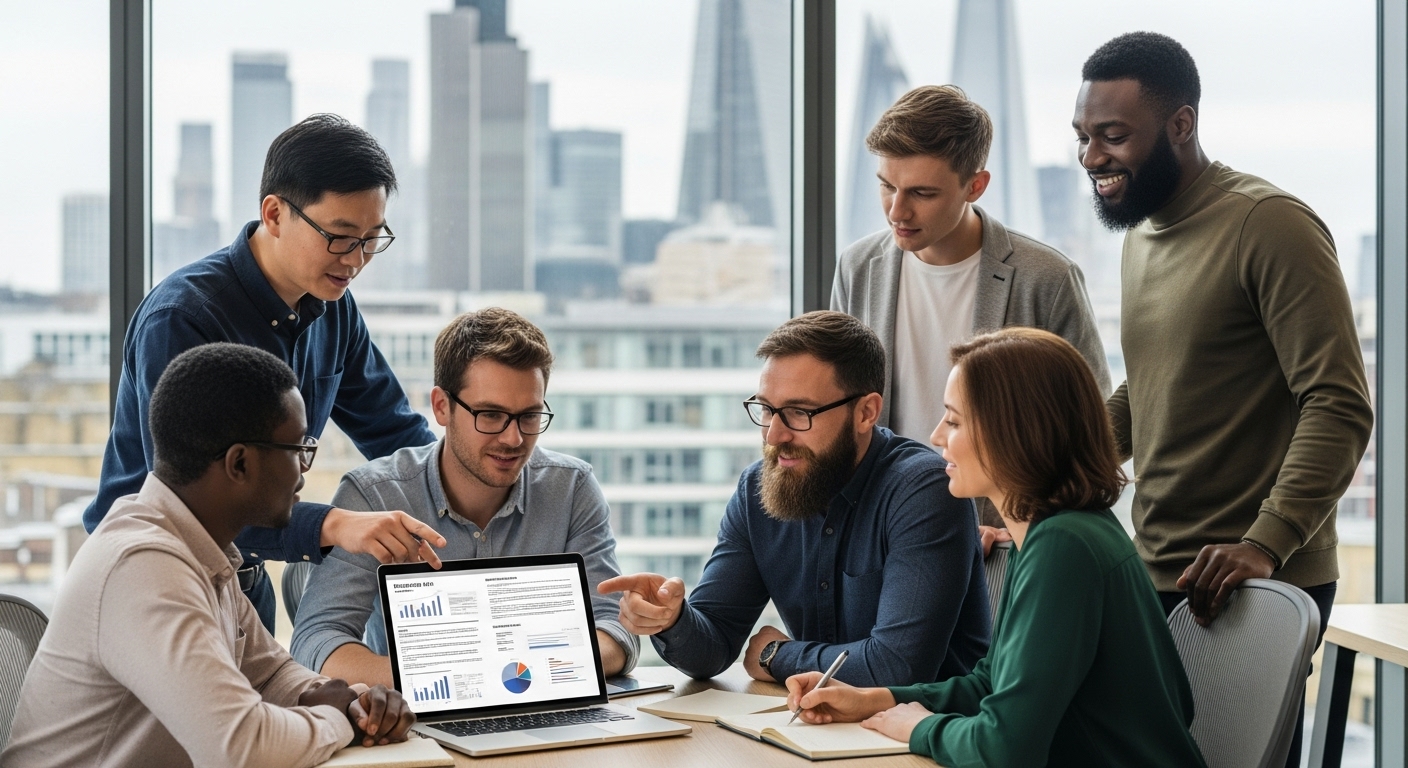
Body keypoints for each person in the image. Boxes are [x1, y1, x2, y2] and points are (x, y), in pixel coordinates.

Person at [1073, 33, 1373, 767]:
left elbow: (1337, 402)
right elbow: (1144, 391)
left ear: (1182, 125)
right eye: (1083, 137)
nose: (1091, 158)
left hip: (1250, 579)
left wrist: (1265, 543)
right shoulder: (1140, 233)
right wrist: (1045, 485)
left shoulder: (1268, 224)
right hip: (1155, 572)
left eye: (1113, 136)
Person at [86, 114, 447, 633]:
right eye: (341, 236)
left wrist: (468, 498)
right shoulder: (184, 318)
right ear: (275, 214)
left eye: (373, 238)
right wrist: (336, 525)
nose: (357, 260)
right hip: (150, 579)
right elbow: (190, 497)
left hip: (244, 581)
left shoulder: (333, 306)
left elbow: (394, 434)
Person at [785, 328, 1207, 768]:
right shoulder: (1058, 534)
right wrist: (872, 700)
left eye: (953, 420)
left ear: (1013, 430)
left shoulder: (1065, 547)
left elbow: (1006, 749)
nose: (935, 436)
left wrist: (918, 728)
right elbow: (992, 684)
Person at [2, 344, 417, 768]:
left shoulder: (202, 552)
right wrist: (333, 718)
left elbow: (271, 673)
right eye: (297, 451)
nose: (302, 471)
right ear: (239, 463)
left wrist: (353, 701)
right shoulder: (143, 566)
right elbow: (239, 748)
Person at [599, 311, 989, 687]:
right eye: (767, 410)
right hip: (818, 731)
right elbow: (712, 648)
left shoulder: (924, 490)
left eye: (799, 413)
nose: (773, 435)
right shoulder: (759, 488)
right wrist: (672, 618)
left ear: (866, 412)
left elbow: (898, 667)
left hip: (924, 741)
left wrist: (775, 656)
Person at [292, 308, 639, 684]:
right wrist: (456, 680)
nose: (514, 439)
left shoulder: (572, 489)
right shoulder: (374, 495)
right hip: (417, 723)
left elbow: (616, 629)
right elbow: (317, 643)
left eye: (529, 416)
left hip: (544, 701)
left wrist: (523, 673)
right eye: (491, 415)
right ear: (442, 406)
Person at [831, 85, 1109, 536]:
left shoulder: (1047, 278)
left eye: (922, 192)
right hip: (883, 533)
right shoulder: (858, 267)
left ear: (975, 186)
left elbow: (1093, 430)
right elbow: (841, 410)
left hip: (999, 544)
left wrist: (1024, 524)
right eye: (886, 186)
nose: (896, 210)